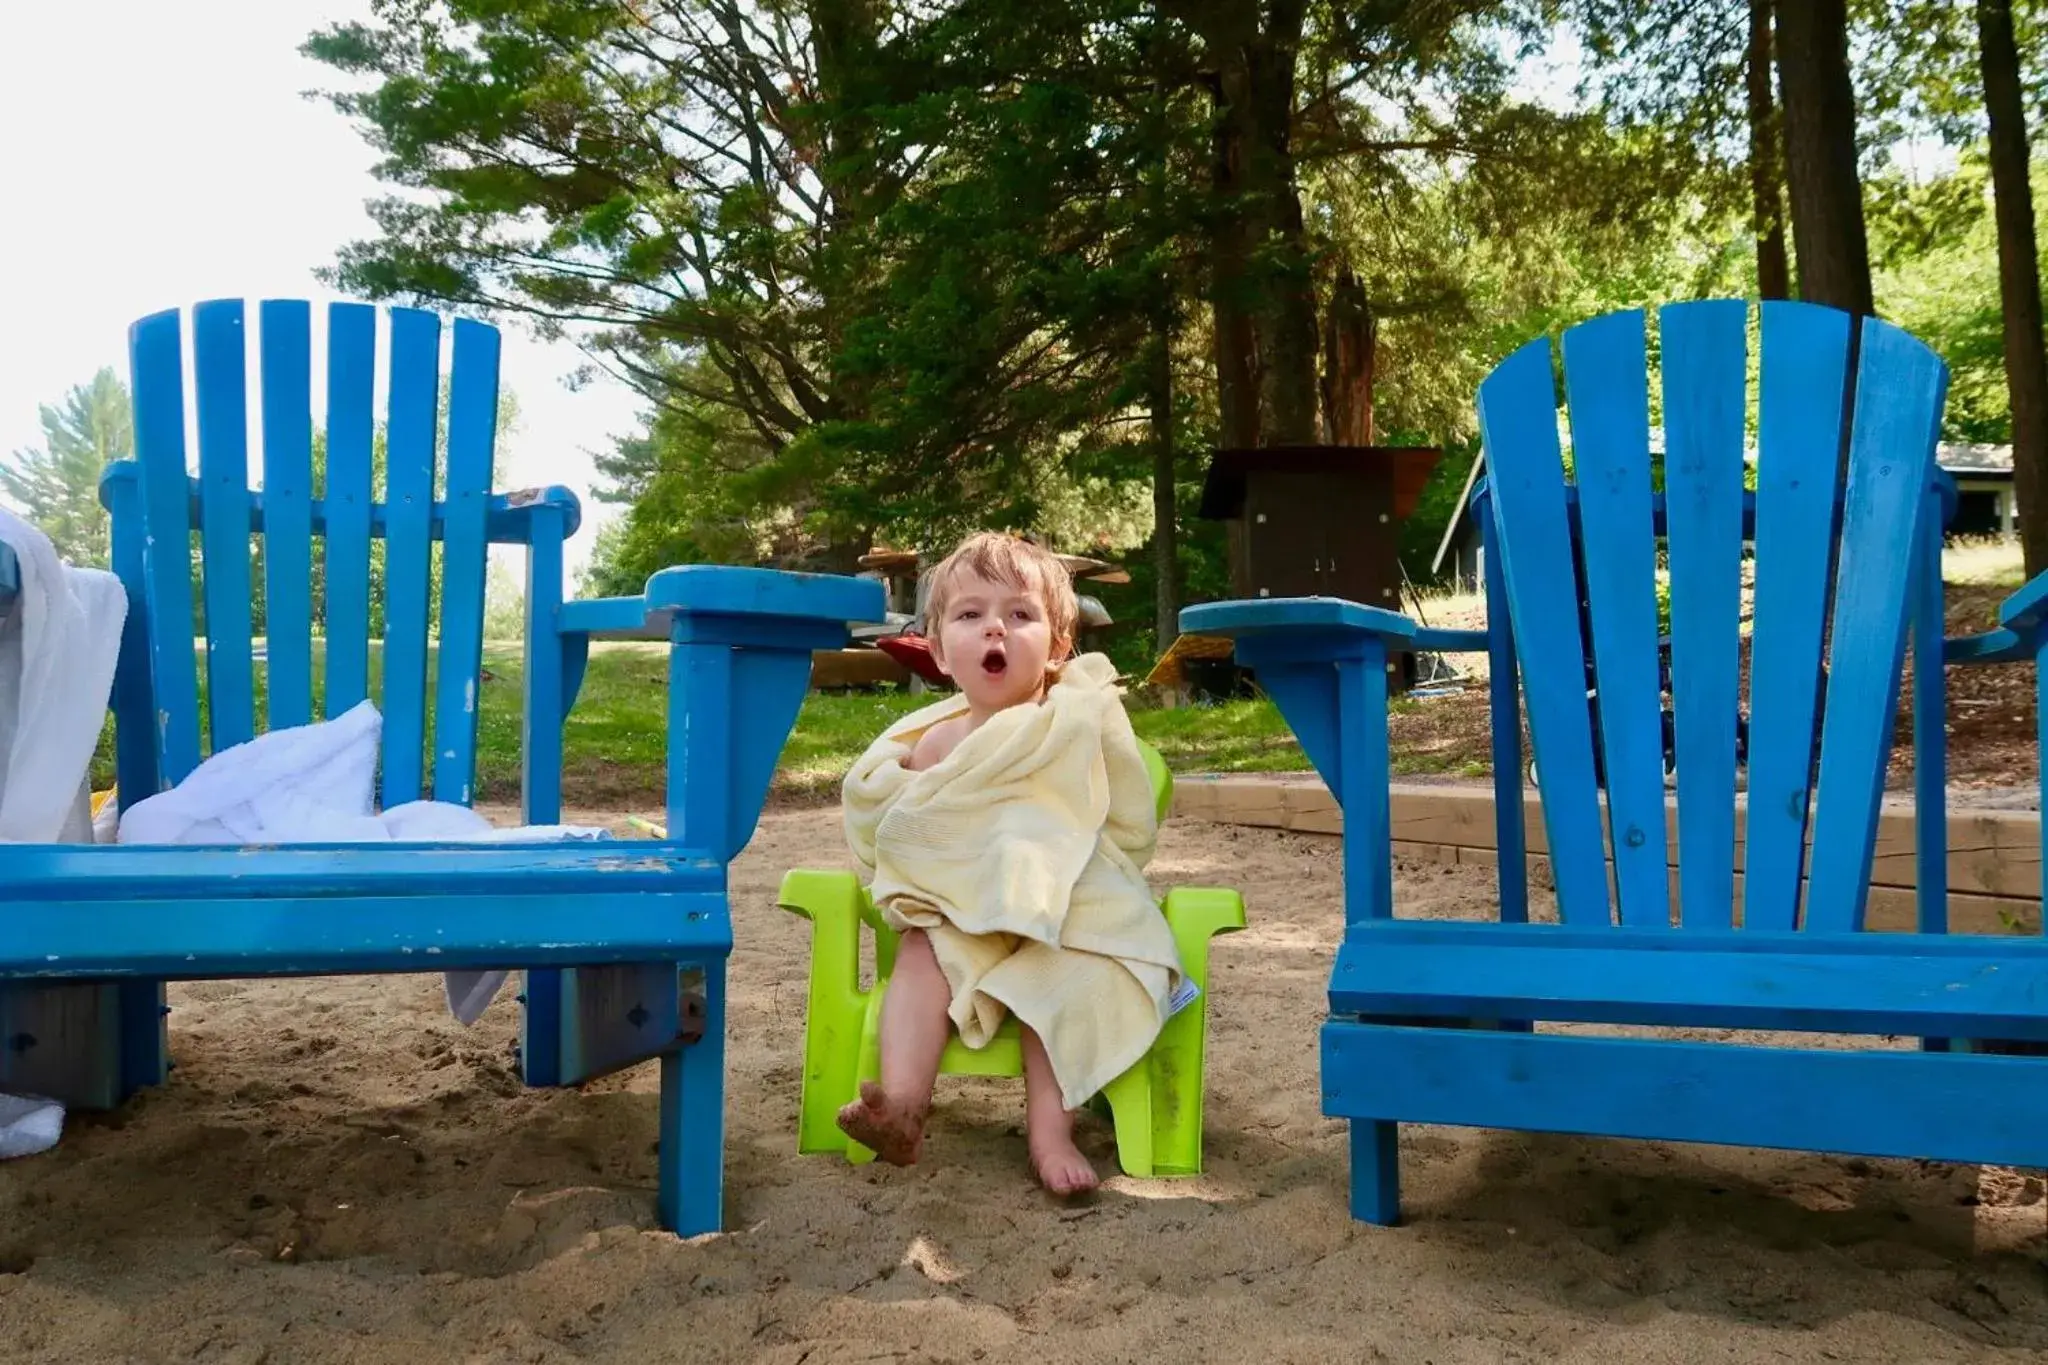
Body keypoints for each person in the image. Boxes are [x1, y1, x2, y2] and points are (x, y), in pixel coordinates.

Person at [837, 532, 1182, 1195]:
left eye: (1020, 614)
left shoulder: (1070, 720)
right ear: (938, 649)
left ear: (1057, 644)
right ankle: (903, 1105)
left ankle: (1050, 1134)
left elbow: (1116, 813)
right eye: (970, 615)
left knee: (1053, 983)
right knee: (918, 949)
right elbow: (918, 828)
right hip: (964, 913)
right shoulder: (934, 743)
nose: (995, 626)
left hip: (1056, 909)